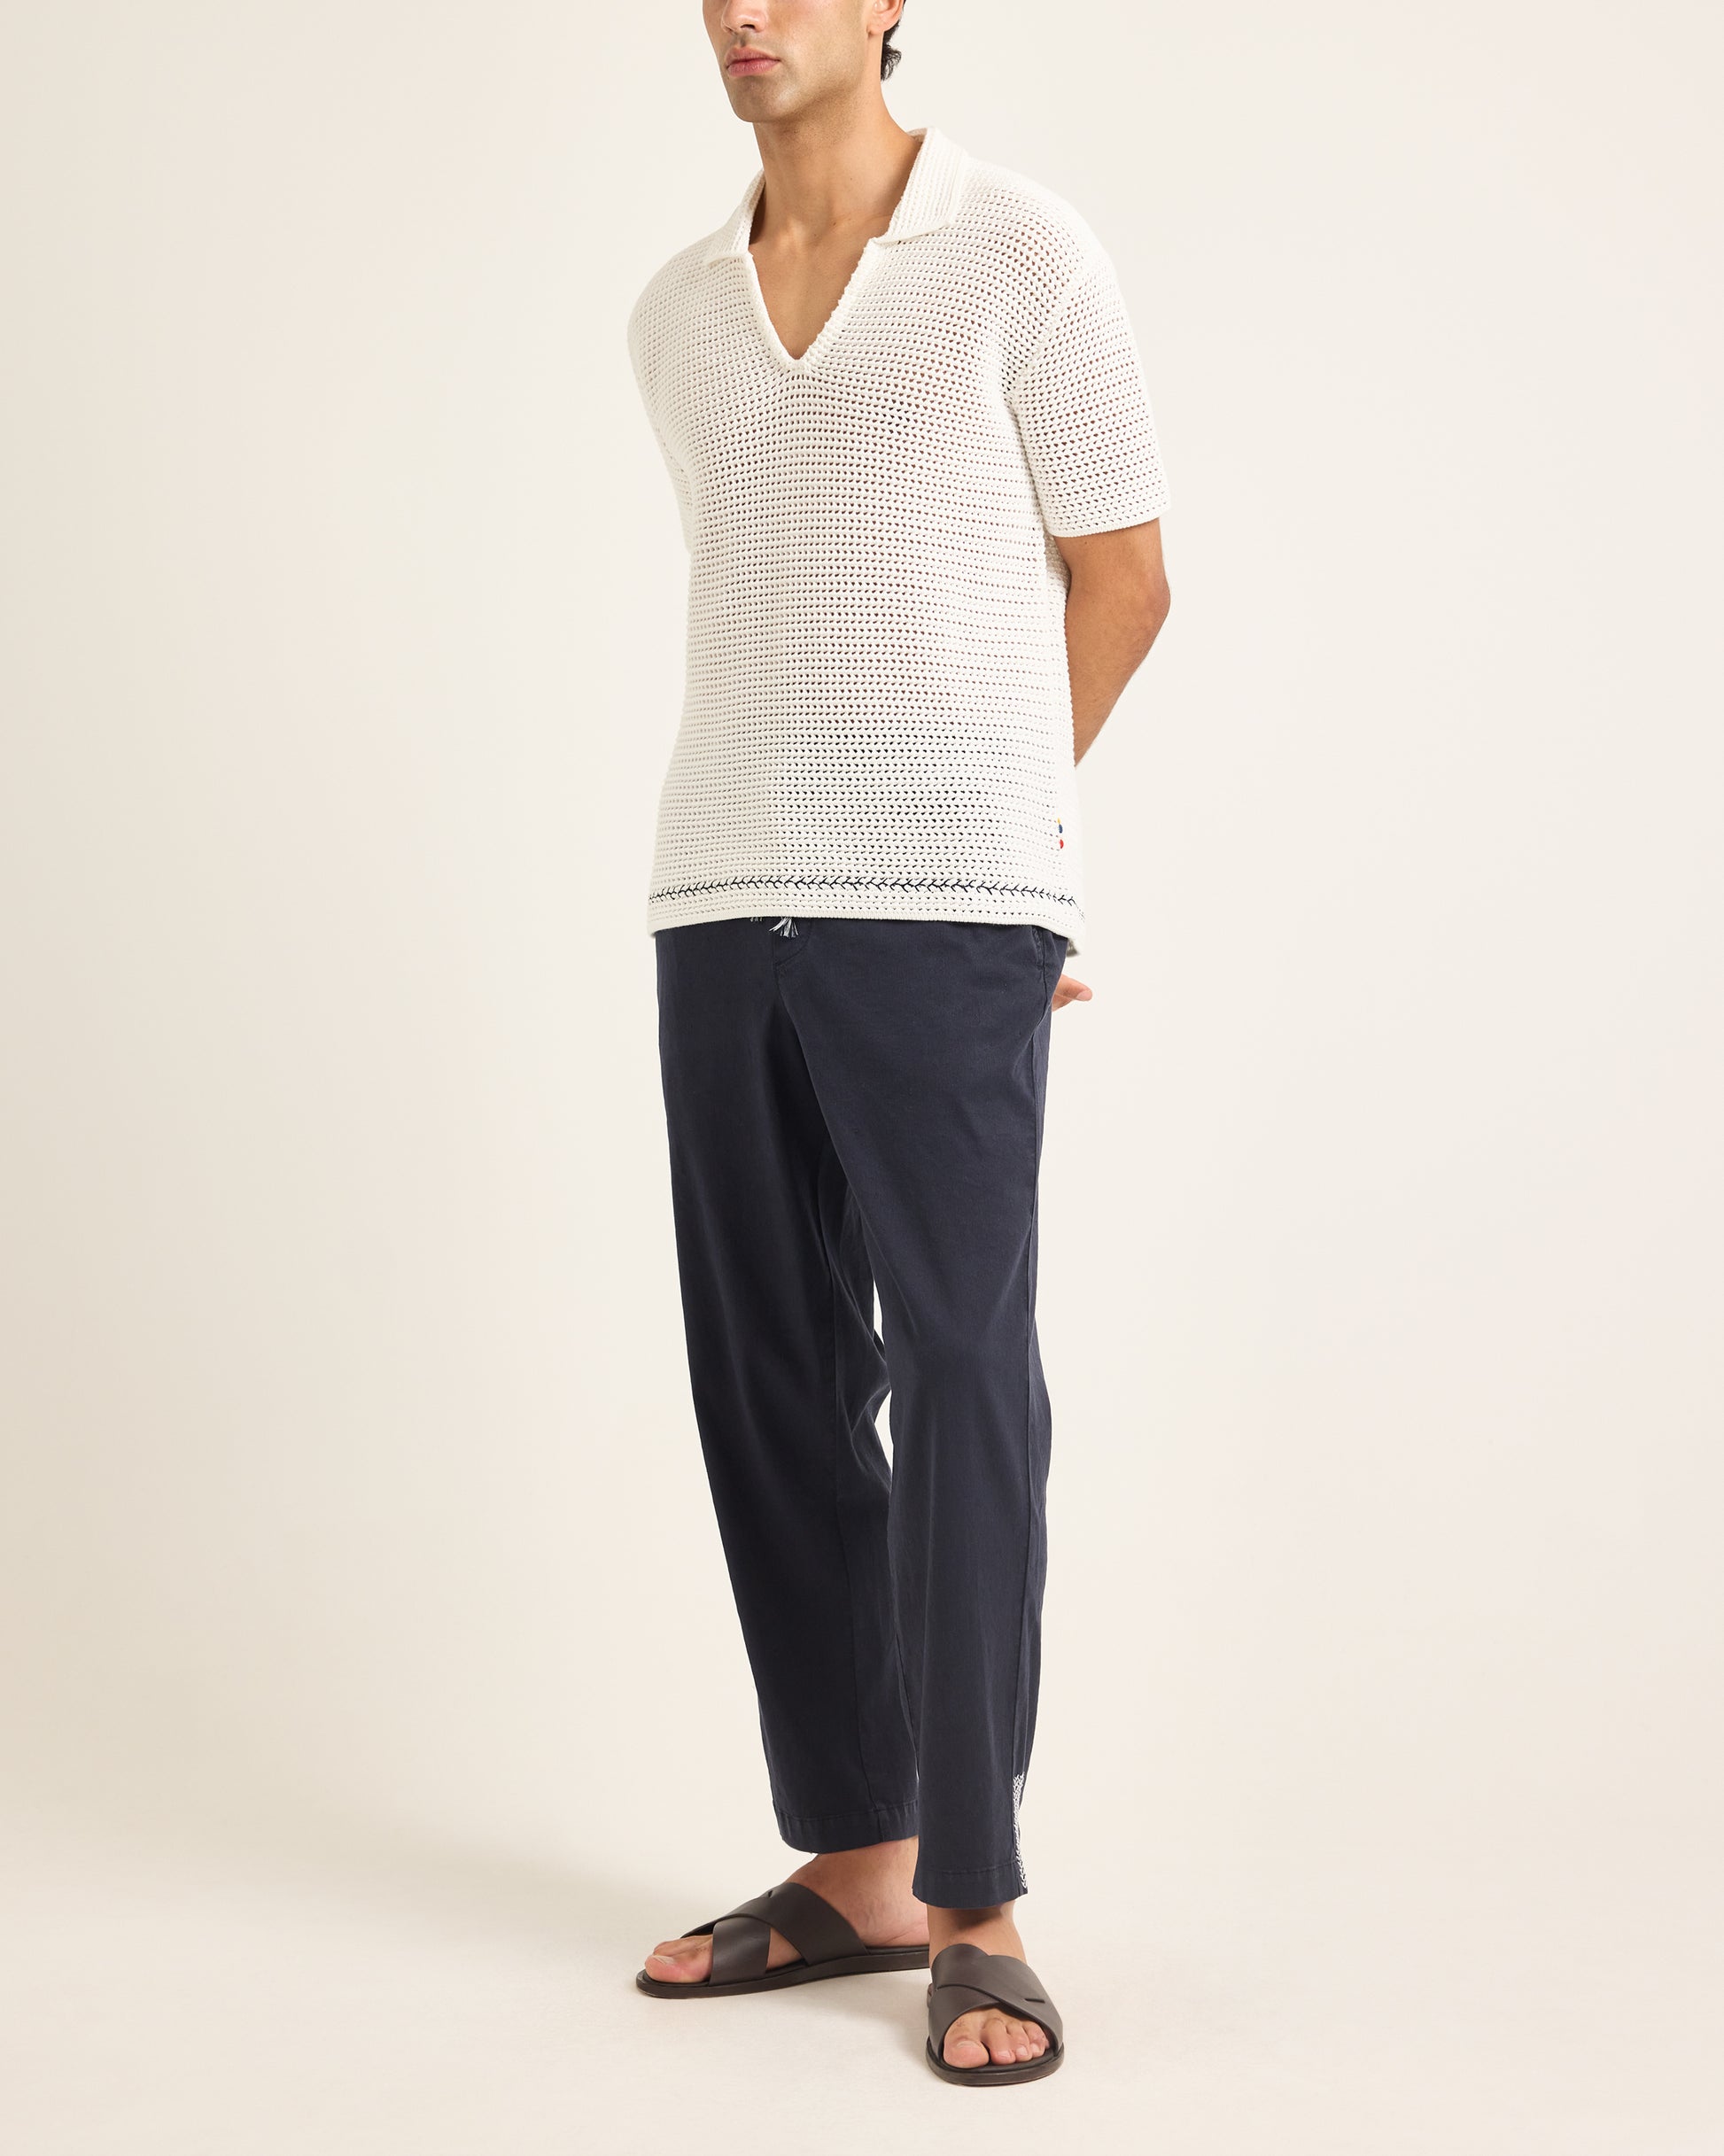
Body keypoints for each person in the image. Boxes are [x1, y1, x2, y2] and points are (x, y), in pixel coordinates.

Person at [624, 0, 1170, 2087]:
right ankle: (854, 1856)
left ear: (887, 6)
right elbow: (767, 600)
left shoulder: (1023, 253)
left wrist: (1013, 858)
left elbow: (1122, 580)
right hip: (715, 885)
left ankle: (975, 1894)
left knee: (955, 1365)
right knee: (767, 1377)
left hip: (942, 898)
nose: (746, 14)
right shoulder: (673, 313)